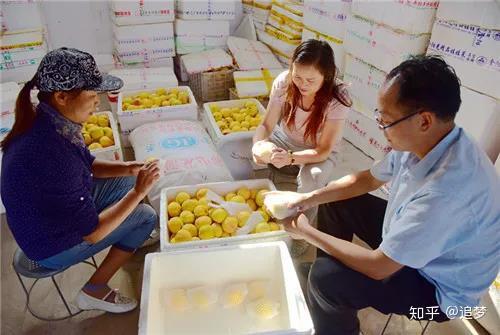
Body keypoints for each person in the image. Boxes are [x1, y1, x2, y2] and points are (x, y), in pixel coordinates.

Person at [281, 55, 500, 334]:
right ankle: (331, 296)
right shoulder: (433, 141)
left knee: (327, 281)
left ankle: (330, 299)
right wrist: (306, 199)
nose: (380, 126)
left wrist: (306, 231)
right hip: (423, 246)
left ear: (423, 120)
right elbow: (367, 179)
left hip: (439, 292)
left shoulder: (447, 192)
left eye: (386, 120)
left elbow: (380, 267)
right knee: (336, 203)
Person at [1, 48, 160, 314]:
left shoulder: (49, 121)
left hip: (45, 219)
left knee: (124, 183)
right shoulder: (52, 154)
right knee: (144, 214)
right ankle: (94, 290)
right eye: (92, 95)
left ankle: (132, 231)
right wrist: (138, 192)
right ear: (62, 96)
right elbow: (93, 232)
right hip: (49, 247)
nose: (98, 103)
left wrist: (129, 168)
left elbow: (88, 163)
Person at [252, 39, 351, 257]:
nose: (302, 84)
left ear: (327, 76)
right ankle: (279, 187)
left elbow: (323, 150)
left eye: (310, 80)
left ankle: (302, 234)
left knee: (311, 180)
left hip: (318, 152)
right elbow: (266, 125)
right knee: (252, 155)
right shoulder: (284, 83)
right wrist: (258, 146)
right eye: (297, 76)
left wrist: (291, 158)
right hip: (285, 141)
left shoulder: (338, 97)